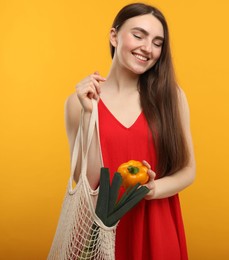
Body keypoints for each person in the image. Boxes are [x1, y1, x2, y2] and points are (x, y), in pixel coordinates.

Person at [64, 3, 195, 260]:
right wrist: (90, 113)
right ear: (114, 36)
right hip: (104, 231)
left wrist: (152, 189)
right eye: (138, 35)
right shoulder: (78, 103)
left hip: (157, 224)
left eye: (158, 43)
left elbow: (189, 170)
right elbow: (88, 183)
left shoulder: (171, 97)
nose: (148, 48)